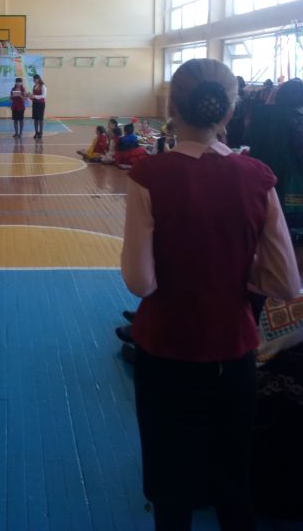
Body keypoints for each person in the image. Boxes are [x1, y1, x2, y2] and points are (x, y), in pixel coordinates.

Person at [121, 58, 300, 531]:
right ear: (230, 111)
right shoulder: (258, 177)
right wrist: (241, 269)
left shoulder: (148, 176)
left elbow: (141, 282)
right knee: (232, 482)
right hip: (233, 351)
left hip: (164, 349)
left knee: (171, 488)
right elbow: (288, 284)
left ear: (172, 109)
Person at [248, 77, 303, 232]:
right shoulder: (296, 118)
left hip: (260, 176)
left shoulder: (259, 116)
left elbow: (247, 139)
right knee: (289, 227)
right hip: (289, 182)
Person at [30, 74, 47, 139]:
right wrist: (30, 96)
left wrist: (35, 96)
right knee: (35, 119)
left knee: (40, 119)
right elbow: (34, 95)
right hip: (35, 104)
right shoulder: (34, 86)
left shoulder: (43, 86)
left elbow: (44, 96)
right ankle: (36, 133)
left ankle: (41, 133)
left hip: (41, 104)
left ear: (38, 79)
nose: (34, 80)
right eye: (34, 79)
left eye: (35, 79)